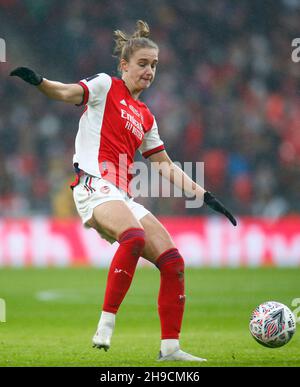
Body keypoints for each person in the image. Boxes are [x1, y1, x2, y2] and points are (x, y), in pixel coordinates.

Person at [10, 20, 236, 362]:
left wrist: (205, 196)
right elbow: (67, 92)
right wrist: (40, 83)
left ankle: (171, 348)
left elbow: (165, 165)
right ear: (124, 66)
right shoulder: (105, 85)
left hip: (120, 194)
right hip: (91, 184)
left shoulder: (146, 116)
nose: (149, 71)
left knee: (174, 262)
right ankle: (105, 324)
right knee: (132, 236)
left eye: (154, 66)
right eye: (142, 64)